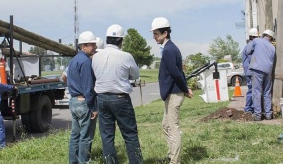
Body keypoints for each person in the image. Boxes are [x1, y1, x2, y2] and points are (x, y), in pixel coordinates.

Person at [92, 24, 143, 164]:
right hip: (120, 98)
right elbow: (135, 75)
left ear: (107, 39)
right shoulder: (126, 56)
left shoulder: (96, 57)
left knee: (107, 136)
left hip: (101, 98)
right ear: (121, 40)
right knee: (130, 135)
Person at [150, 17, 193, 164]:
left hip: (174, 93)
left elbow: (175, 73)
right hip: (172, 93)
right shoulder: (170, 48)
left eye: (156, 34)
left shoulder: (169, 50)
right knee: (166, 125)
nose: (154, 37)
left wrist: (185, 88)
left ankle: (175, 161)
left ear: (165, 33)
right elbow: (178, 72)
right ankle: (171, 155)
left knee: (173, 127)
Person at [67, 31, 98, 164]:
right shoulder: (85, 61)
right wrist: (93, 107)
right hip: (83, 102)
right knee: (85, 137)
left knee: (75, 135)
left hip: (74, 100)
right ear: (84, 46)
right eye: (92, 45)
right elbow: (88, 87)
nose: (95, 47)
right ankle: (84, 161)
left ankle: (73, 161)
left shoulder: (73, 60)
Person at [246, 29, 276, 121]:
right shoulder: (272, 47)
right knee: (267, 93)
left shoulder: (256, 41)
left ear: (264, 35)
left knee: (257, 92)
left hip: (257, 69)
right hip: (268, 71)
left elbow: (247, 51)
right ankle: (268, 115)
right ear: (270, 37)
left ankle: (258, 115)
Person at [242, 28, 259, 113]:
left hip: (248, 71)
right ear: (252, 37)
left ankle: (251, 107)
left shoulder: (248, 45)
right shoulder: (251, 46)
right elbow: (252, 59)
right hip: (250, 71)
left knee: (252, 89)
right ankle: (248, 108)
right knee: (252, 89)